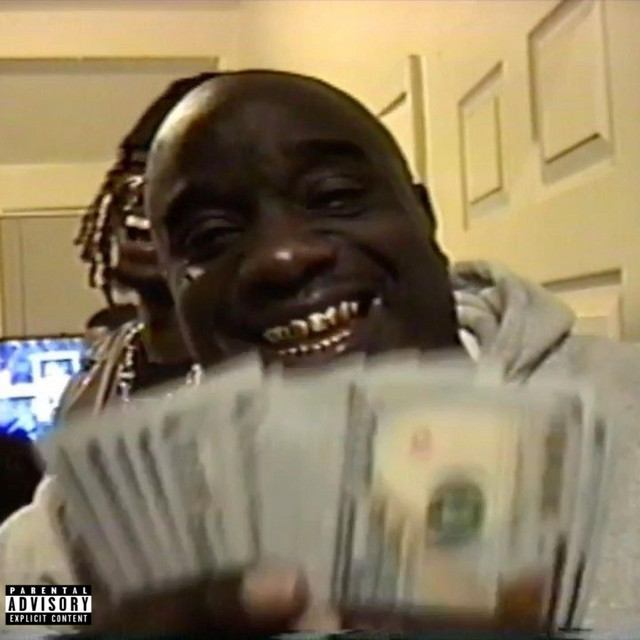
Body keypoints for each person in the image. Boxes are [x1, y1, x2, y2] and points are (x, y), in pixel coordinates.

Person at [3, 71, 640, 635]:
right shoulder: (114, 509)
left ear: (423, 216)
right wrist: (96, 617)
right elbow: (20, 607)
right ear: (174, 288)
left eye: (334, 196)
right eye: (211, 236)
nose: (283, 256)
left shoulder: (623, 407)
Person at [57, 73, 216, 421]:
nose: (140, 197)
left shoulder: (282, 387)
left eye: (181, 174)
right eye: (134, 168)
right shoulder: (93, 381)